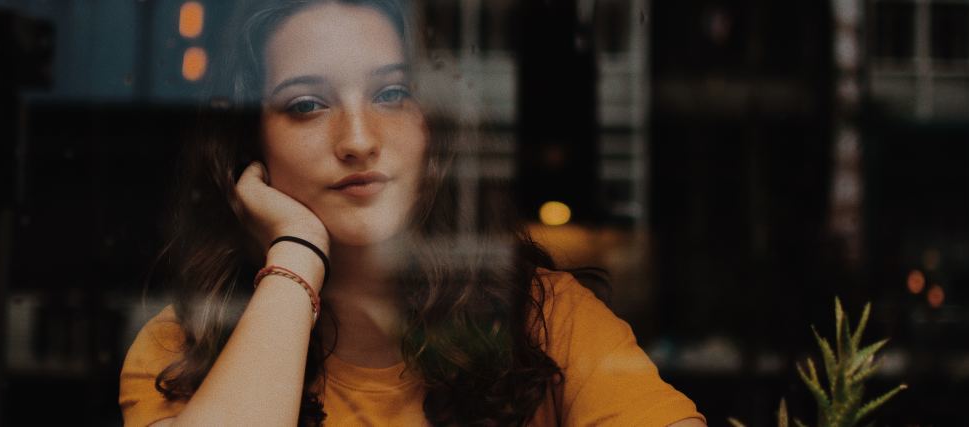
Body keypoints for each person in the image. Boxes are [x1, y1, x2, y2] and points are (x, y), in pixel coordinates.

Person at [120, 0, 705, 425]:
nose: (357, 139)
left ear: (433, 126)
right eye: (307, 103)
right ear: (253, 147)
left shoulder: (548, 322)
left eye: (392, 94)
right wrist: (297, 248)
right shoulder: (184, 347)